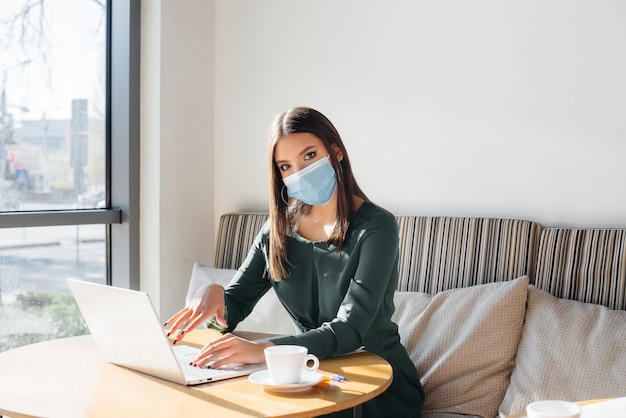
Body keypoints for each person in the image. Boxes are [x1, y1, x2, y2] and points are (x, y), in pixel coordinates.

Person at [165, 106, 425, 417]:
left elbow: (351, 329)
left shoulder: (377, 227)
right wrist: (215, 296)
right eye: (286, 166)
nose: (299, 172)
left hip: (374, 381)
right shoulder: (277, 231)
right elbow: (234, 307)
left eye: (309, 156)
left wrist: (263, 350)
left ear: (336, 152)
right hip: (302, 374)